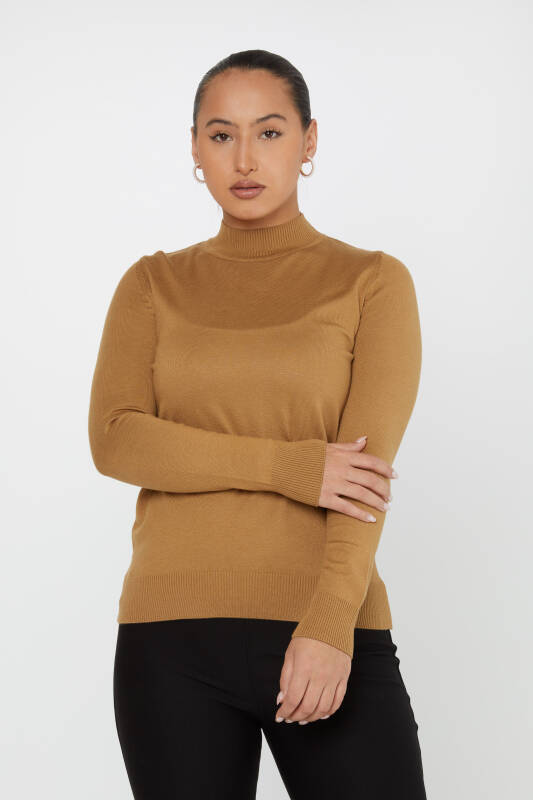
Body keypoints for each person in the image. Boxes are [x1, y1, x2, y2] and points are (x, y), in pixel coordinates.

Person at [88, 49, 427, 799]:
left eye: (269, 132)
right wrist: (294, 466)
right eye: (221, 135)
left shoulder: (371, 282)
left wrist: (329, 623)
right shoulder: (152, 284)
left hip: (326, 625)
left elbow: (362, 478)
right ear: (194, 148)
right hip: (168, 638)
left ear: (309, 141)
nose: (244, 159)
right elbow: (116, 439)